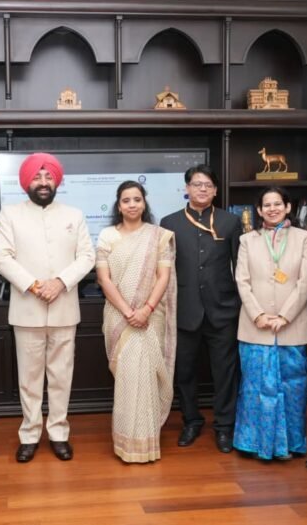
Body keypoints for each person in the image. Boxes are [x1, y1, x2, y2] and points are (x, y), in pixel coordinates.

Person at [0, 153, 95, 463]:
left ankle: (59, 433)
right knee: (30, 379)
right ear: (27, 182)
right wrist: (35, 285)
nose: (43, 182)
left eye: (48, 176)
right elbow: (2, 258)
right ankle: (30, 435)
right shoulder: (10, 214)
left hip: (64, 309)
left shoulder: (74, 214)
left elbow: (87, 256)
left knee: (62, 377)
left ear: (56, 181)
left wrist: (60, 282)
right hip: (27, 309)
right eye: (37, 177)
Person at [159, 164, 242, 452]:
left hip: (223, 310)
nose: (202, 189)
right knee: (184, 373)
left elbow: (240, 266)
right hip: (184, 310)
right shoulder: (169, 223)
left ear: (215, 190)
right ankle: (191, 421)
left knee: (225, 373)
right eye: (197, 184)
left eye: (208, 185)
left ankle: (224, 427)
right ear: (187, 188)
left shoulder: (230, 222)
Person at [95, 181, 177, 463]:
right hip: (119, 316)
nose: (132, 204)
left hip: (151, 316)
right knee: (128, 380)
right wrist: (129, 312)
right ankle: (127, 443)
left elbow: (163, 276)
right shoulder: (107, 236)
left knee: (146, 378)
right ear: (119, 206)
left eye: (137, 199)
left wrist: (146, 309)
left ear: (144, 203)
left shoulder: (158, 236)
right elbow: (104, 279)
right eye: (126, 200)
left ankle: (146, 443)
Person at [233, 187, 307, 461]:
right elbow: (242, 280)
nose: (272, 209)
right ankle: (253, 443)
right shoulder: (247, 240)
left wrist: (285, 316)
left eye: (277, 203)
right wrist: (258, 315)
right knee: (254, 387)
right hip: (254, 327)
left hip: (292, 326)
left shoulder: (304, 238)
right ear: (259, 210)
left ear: (288, 207)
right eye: (266, 205)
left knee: (292, 387)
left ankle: (290, 444)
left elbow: (305, 282)